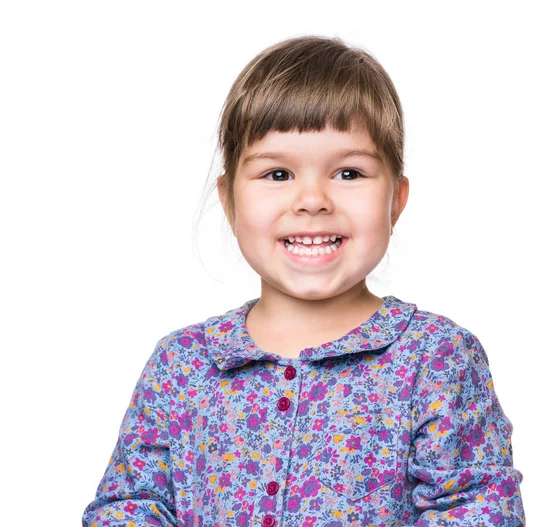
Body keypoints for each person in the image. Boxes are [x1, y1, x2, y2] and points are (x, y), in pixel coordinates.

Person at [82, 35, 525, 527]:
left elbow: (476, 510)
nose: (312, 199)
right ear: (229, 201)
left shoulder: (435, 359)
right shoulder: (182, 365)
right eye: (277, 175)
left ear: (395, 200)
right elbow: (129, 507)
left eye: (349, 173)